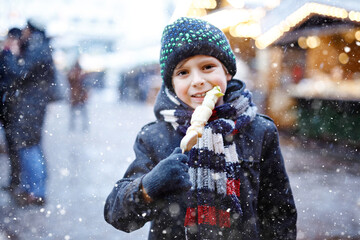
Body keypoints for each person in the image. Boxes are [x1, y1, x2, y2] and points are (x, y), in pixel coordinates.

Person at [104, 17, 297, 240]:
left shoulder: (260, 131)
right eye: (183, 72)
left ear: (227, 72)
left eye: (207, 67)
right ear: (172, 85)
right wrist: (148, 187)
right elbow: (117, 215)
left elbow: (279, 213)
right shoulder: (154, 137)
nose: (197, 80)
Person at [2, 18, 57, 206]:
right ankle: (30, 188)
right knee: (30, 145)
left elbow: (19, 72)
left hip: (31, 105)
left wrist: (9, 53)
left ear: (32, 30)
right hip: (32, 104)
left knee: (29, 146)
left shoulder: (37, 48)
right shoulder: (41, 47)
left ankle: (36, 192)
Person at [0, 27, 22, 191]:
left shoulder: (15, 55)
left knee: (13, 145)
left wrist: (10, 54)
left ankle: (15, 180)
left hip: (11, 108)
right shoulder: (6, 54)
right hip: (6, 106)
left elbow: (16, 75)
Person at [67, 59, 89, 132]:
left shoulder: (74, 74)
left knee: (75, 114)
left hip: (76, 96)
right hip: (78, 97)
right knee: (81, 114)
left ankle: (73, 127)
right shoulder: (80, 74)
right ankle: (81, 127)